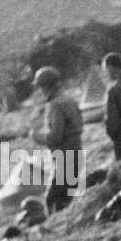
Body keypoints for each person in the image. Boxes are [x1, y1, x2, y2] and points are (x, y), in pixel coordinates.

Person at [31, 65, 83, 214]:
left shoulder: (55, 105)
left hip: (64, 157)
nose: (40, 90)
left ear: (45, 86)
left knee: (53, 201)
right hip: (75, 152)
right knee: (67, 198)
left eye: (40, 87)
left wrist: (37, 137)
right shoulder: (68, 100)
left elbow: (56, 136)